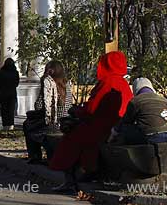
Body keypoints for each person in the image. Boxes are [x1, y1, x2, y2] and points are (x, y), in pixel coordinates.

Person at [50, 51, 133, 194]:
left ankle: (71, 178)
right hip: (115, 125)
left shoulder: (108, 82)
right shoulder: (123, 83)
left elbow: (92, 109)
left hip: (99, 127)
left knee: (70, 139)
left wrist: (77, 111)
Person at [23, 60, 73, 164]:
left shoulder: (48, 84)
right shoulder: (67, 84)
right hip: (65, 122)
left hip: (52, 124)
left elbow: (39, 106)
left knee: (27, 125)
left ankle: (35, 156)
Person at [113, 77, 167, 145]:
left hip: (150, 136)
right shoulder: (163, 99)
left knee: (125, 128)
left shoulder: (135, 101)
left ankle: (117, 146)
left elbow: (126, 120)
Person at [0, 58, 21, 129]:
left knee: (4, 110)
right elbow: (17, 83)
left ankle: (5, 125)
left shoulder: (1, 72)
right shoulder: (15, 72)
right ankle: (11, 125)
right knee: (11, 110)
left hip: (3, 93)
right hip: (12, 93)